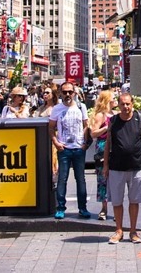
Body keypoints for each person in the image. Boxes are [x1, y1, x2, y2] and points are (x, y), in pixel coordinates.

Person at [104, 93, 141, 244]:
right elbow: (108, 144)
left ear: (132, 104)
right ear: (118, 105)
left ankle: (133, 231)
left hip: (136, 166)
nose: (125, 107)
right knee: (117, 201)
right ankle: (119, 230)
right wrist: (105, 165)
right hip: (116, 167)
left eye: (128, 104)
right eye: (122, 104)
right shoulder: (113, 121)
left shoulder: (139, 119)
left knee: (134, 201)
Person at [50, 81, 92, 221]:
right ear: (60, 93)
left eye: (70, 92)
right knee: (62, 179)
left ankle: (83, 208)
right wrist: (56, 143)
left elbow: (86, 125)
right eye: (65, 92)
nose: (67, 95)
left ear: (74, 93)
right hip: (64, 149)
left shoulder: (82, 107)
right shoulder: (56, 109)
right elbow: (51, 128)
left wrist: (85, 143)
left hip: (79, 148)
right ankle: (60, 208)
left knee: (81, 179)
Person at [90, 89, 115, 221]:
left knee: (116, 179)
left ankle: (117, 208)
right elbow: (93, 133)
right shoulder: (101, 115)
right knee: (102, 179)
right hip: (102, 146)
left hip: (116, 147)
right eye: (113, 98)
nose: (115, 100)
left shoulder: (116, 114)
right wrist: (107, 127)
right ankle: (104, 208)